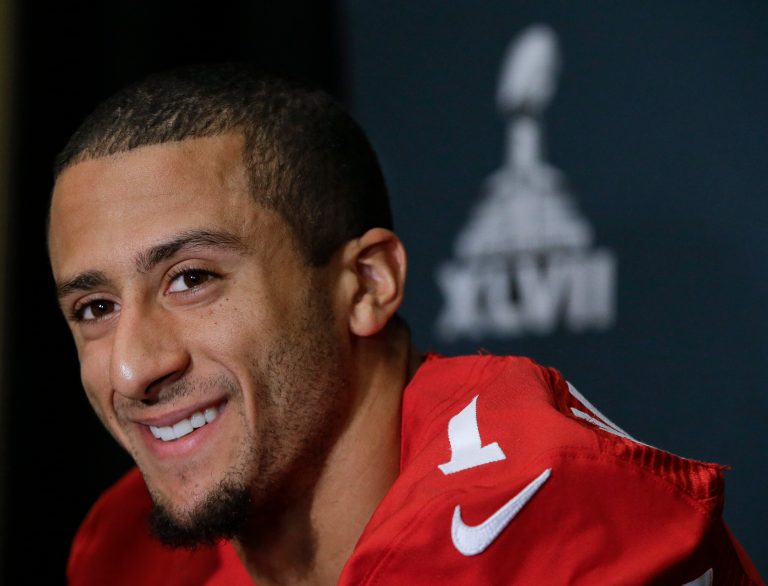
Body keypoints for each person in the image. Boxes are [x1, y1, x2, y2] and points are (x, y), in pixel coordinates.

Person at [49, 63, 762, 586]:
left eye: (192, 280)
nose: (133, 367)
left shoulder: (549, 530)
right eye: (95, 309)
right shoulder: (134, 558)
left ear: (367, 285)